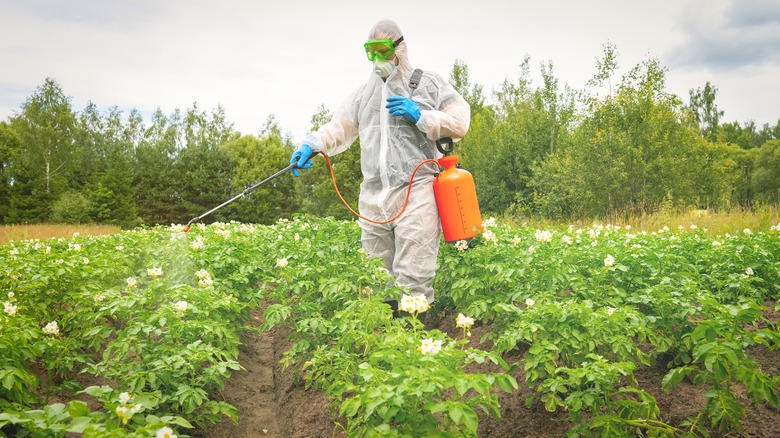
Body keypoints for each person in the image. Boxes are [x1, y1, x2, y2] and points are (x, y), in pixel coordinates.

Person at [290, 19, 470, 305]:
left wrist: (423, 116)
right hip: (373, 197)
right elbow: (339, 128)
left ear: (400, 47)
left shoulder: (428, 84)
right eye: (370, 51)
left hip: (416, 191)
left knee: (415, 275)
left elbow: (460, 122)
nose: (377, 59)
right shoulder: (364, 94)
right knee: (377, 277)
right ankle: (385, 340)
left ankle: (413, 340)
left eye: (383, 50)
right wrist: (312, 144)